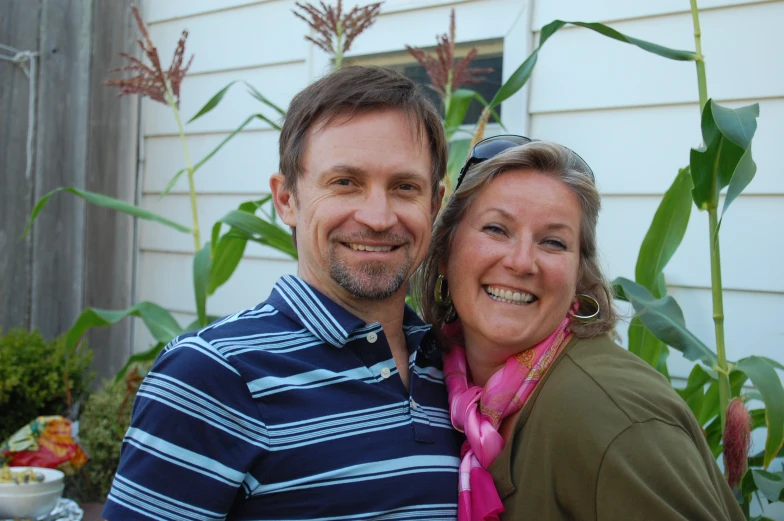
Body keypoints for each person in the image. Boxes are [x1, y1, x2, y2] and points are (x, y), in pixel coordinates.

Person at [102, 66, 462, 521]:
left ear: (434, 204)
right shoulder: (212, 376)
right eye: (345, 182)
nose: (377, 216)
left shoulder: (454, 368)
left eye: (404, 187)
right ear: (287, 199)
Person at [417, 136, 745, 521]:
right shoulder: (439, 383)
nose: (522, 262)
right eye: (496, 229)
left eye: (553, 242)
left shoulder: (610, 415)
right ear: (444, 253)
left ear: (580, 275)